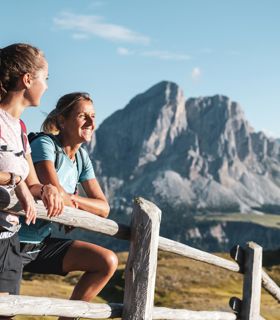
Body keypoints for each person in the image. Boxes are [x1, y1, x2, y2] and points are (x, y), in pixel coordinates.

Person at [19, 92, 118, 318]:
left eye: (93, 116)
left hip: (39, 244)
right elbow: (53, 191)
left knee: (106, 262)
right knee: (6, 311)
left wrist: (72, 200)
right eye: (83, 116)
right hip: (14, 240)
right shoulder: (45, 144)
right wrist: (72, 201)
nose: (92, 122)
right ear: (62, 121)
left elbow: (103, 208)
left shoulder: (81, 157)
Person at [0, 43, 64, 305]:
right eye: (45, 78)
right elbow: (18, 180)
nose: (47, 86)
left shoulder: (22, 129)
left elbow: (32, 184)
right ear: (28, 80)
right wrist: (15, 181)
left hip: (9, 240)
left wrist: (46, 189)